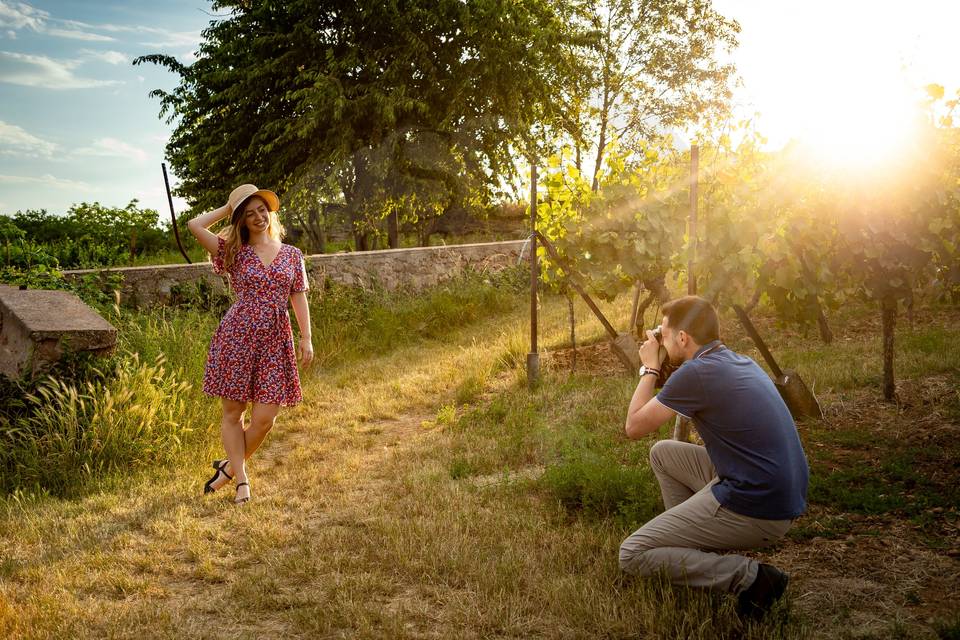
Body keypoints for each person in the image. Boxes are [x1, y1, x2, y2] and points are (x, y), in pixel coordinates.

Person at [619, 295, 808, 619]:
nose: (661, 341)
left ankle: (751, 579)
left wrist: (649, 366)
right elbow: (674, 393)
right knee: (664, 453)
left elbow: (634, 426)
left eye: (664, 334)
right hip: (779, 491)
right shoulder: (736, 361)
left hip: (757, 504)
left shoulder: (697, 375)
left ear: (682, 338)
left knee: (632, 553)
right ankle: (688, 550)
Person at [186, 184, 313, 504]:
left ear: (270, 215)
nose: (258, 217)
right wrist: (230, 207)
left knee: (266, 418)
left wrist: (306, 337)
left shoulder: (292, 255)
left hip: (275, 338)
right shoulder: (233, 251)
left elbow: (297, 295)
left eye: (262, 210)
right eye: (249, 212)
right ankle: (241, 480)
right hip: (237, 335)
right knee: (234, 413)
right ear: (241, 219)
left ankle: (228, 467)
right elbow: (195, 226)